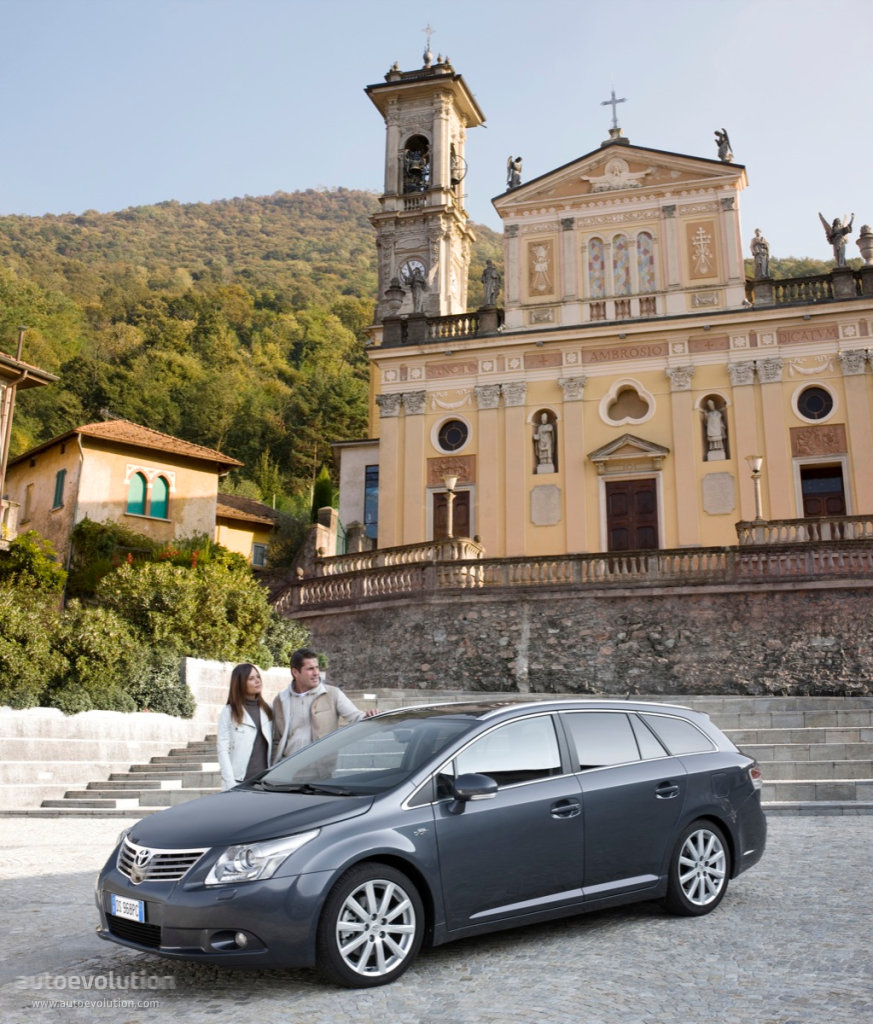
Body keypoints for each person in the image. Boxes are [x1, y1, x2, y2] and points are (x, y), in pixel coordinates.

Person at [272, 647, 378, 762]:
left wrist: (370, 715)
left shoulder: (332, 694)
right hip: (288, 768)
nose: (316, 673)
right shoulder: (281, 700)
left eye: (317, 667)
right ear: (295, 672)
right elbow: (276, 739)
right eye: (310, 669)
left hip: (321, 768)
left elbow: (356, 716)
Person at [216, 663, 273, 791]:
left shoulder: (269, 709)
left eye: (258, 676)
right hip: (239, 782)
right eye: (251, 678)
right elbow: (223, 749)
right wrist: (230, 782)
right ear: (240, 683)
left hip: (265, 782)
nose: (257, 681)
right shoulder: (228, 712)